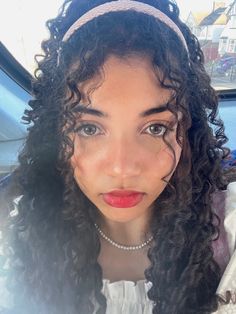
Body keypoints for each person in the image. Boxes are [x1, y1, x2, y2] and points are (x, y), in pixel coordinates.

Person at [0, 0, 236, 313]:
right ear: (57, 134)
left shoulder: (228, 230)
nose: (122, 167)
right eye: (88, 128)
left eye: (154, 128)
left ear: (188, 130)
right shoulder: (18, 237)